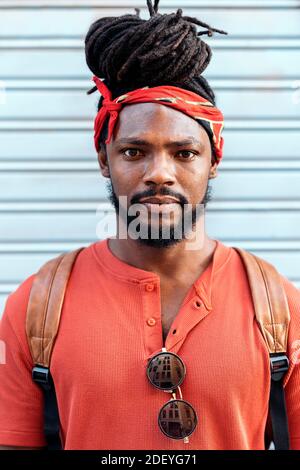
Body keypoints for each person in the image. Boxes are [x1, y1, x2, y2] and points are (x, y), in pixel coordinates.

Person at [0, 0, 299, 451]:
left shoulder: (279, 308)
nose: (160, 173)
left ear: (214, 161)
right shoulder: (38, 306)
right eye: (134, 152)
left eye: (185, 153)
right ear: (105, 159)